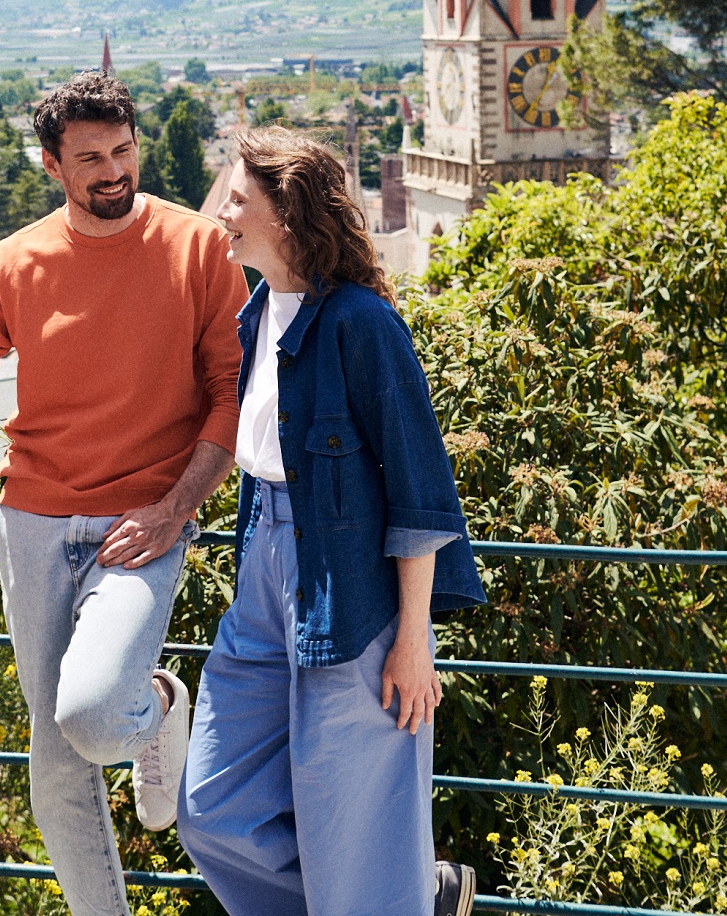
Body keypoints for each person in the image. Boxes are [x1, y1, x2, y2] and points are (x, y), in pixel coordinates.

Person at [0, 71, 248, 916]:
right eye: (90, 157)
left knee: (93, 717)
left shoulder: (197, 248)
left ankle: (160, 700)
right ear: (53, 164)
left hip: (144, 524)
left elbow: (233, 392)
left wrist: (176, 510)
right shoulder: (12, 261)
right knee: (55, 767)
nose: (113, 169)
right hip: (32, 525)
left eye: (123, 150)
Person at [177, 127, 485, 916]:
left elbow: (421, 490)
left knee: (353, 832)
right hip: (263, 580)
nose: (222, 214)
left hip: (351, 593)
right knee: (214, 811)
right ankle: (412, 898)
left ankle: (396, 897)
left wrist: (414, 640)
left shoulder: (360, 323)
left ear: (285, 214)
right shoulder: (257, 316)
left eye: (237, 200)